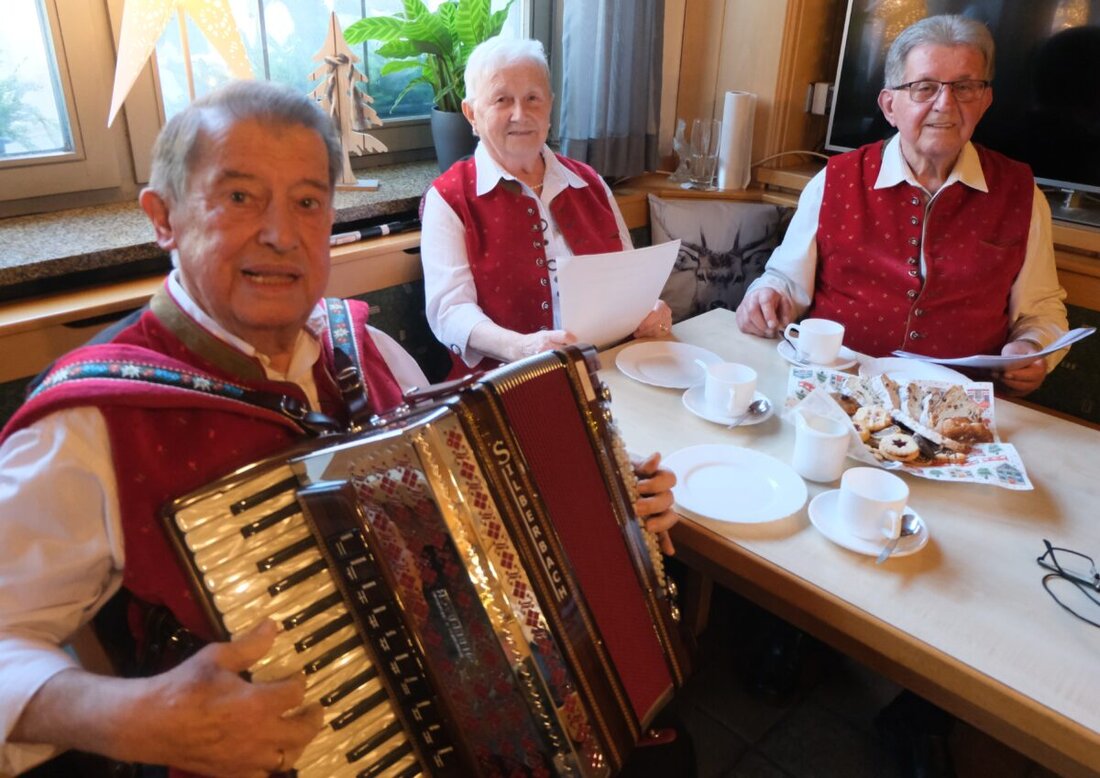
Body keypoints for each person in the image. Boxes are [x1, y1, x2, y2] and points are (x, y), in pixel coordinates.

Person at [0, 80, 680, 777]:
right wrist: (131, 718)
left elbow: (465, 510)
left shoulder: (362, 349)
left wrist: (607, 502)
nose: (280, 234)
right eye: (239, 197)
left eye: (307, 203)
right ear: (163, 218)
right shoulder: (91, 423)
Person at [736, 14, 1068, 396]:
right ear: (890, 105)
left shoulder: (1021, 194)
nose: (945, 104)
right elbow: (785, 281)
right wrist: (766, 298)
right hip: (836, 393)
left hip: (957, 411)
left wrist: (1031, 348)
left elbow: (1041, 311)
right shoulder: (835, 180)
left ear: (985, 101)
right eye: (924, 87)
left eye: (964, 87)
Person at [420, 37, 672, 378]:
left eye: (533, 98)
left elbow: (629, 281)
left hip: (612, 369)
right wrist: (521, 348)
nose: (520, 115)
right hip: (509, 383)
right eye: (502, 100)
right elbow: (449, 312)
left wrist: (651, 310)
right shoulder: (449, 198)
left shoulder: (591, 183)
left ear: (550, 106)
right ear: (471, 114)